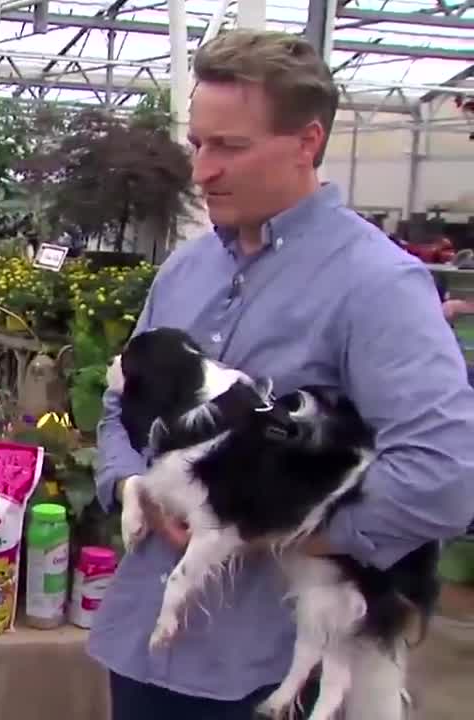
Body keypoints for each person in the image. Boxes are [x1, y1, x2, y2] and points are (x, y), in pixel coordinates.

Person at [89, 29, 474, 720]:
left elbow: (443, 478)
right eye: (199, 143)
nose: (204, 171)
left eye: (231, 147)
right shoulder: (186, 270)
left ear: (307, 142)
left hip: (267, 676)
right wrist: (134, 487)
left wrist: (268, 526)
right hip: (144, 649)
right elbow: (121, 411)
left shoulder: (378, 286)